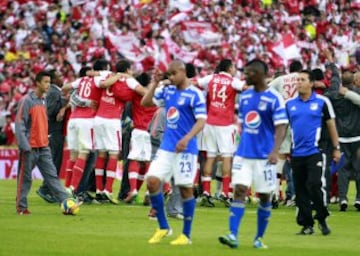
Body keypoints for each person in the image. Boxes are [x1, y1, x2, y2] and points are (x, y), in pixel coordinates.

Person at [218, 59, 287, 249]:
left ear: (262, 74)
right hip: (243, 155)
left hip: (265, 157)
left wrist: (275, 151)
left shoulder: (274, 98)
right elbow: (243, 126)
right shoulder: (245, 97)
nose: (246, 76)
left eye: (250, 73)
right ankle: (232, 234)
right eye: (245, 72)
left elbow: (281, 126)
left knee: (264, 196)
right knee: (239, 190)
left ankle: (259, 238)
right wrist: (236, 148)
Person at [141, 60, 207, 245]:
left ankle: (186, 235)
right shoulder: (167, 91)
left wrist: (187, 138)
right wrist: (155, 83)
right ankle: (163, 227)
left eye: (172, 74)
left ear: (182, 72)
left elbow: (201, 121)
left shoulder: (195, 94)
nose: (170, 77)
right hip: (167, 147)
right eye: (168, 74)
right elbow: (145, 103)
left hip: (186, 150)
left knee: (186, 189)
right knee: (152, 181)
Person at [286, 69, 341, 235]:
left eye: (302, 79)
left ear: (311, 83)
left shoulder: (322, 102)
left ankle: (322, 218)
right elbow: (283, 127)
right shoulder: (289, 104)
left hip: (315, 151)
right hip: (296, 153)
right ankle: (307, 224)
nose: (299, 83)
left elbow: (331, 125)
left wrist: (336, 148)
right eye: (297, 80)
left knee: (314, 184)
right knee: (300, 189)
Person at [14, 71, 73, 215]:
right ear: (38, 83)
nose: (48, 85)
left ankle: (67, 203)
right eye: (45, 82)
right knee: (25, 178)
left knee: (52, 176)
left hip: (43, 145)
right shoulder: (26, 100)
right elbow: (20, 124)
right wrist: (24, 145)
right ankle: (21, 207)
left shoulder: (43, 100)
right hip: (30, 147)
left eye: (49, 82)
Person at [92, 60, 145, 204]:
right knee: (114, 154)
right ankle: (108, 190)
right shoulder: (129, 81)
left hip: (98, 119)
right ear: (128, 69)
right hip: (112, 120)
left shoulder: (108, 75)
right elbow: (143, 92)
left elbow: (93, 76)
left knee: (101, 154)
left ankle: (98, 190)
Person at [196, 59, 244, 208]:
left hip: (209, 122)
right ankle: (225, 192)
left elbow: (196, 83)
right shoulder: (233, 81)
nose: (235, 69)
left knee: (210, 157)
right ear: (230, 68)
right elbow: (246, 87)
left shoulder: (210, 78)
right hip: (226, 124)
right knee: (227, 157)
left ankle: (206, 192)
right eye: (234, 66)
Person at [268, 60, 303, 207]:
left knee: (281, 156)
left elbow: (268, 88)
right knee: (297, 156)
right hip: (298, 116)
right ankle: (295, 194)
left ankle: (275, 193)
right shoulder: (302, 78)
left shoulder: (281, 79)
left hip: (283, 116)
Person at [325, 68, 360, 212]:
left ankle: (343, 198)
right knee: (359, 169)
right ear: (353, 81)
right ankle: (358, 198)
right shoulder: (357, 94)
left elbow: (325, 97)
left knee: (343, 171)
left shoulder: (334, 96)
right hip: (357, 137)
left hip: (341, 138)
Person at [36, 69, 68, 203]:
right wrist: (63, 106)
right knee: (54, 161)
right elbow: (49, 111)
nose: (62, 77)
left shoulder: (56, 91)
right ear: (54, 80)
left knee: (55, 161)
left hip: (55, 131)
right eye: (60, 76)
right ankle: (45, 189)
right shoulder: (54, 92)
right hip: (54, 131)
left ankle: (48, 189)